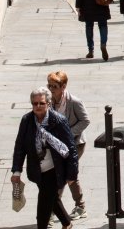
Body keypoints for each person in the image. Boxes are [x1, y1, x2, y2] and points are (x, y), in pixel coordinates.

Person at [11, 87, 78, 229]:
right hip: (37, 169)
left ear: (48, 103)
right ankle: (67, 223)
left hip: (55, 168)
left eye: (41, 103)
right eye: (34, 104)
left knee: (43, 205)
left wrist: (72, 174)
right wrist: (16, 171)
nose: (38, 106)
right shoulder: (27, 120)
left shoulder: (58, 121)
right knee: (52, 198)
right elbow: (20, 146)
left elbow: (71, 148)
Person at [47, 71, 89, 221]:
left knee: (66, 174)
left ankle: (74, 206)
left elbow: (85, 120)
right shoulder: (48, 101)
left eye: (55, 86)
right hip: (56, 144)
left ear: (63, 86)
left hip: (75, 144)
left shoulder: (74, 102)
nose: (51, 89)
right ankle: (75, 206)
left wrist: (68, 133)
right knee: (63, 174)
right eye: (49, 85)